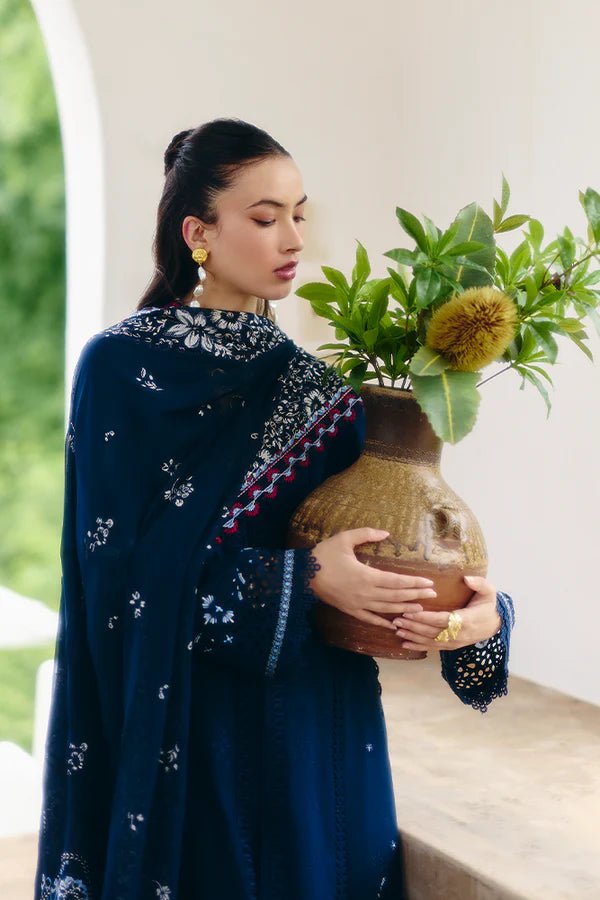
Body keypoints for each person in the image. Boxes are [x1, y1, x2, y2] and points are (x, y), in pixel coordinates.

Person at [34, 118, 515, 900]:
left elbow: (395, 565)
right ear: (199, 232)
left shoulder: (326, 395)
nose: (291, 236)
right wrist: (302, 579)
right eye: (264, 218)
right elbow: (114, 583)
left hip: (318, 757)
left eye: (299, 213)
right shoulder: (120, 371)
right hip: (193, 757)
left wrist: (473, 620)